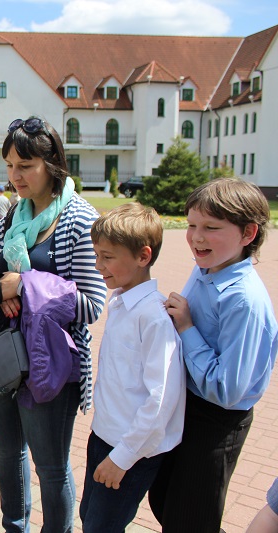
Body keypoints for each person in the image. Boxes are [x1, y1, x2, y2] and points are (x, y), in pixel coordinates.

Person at [0, 117, 106, 532]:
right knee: (7, 453)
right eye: (9, 165)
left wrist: (24, 286)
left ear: (51, 165)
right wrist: (0, 289)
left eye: (25, 166)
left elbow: (91, 304)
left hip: (51, 363)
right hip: (3, 353)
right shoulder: (12, 215)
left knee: (51, 467)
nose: (14, 176)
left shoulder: (79, 219)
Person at [148, 178, 278, 532]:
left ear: (248, 233)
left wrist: (186, 327)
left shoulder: (243, 301)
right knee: (164, 501)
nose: (196, 237)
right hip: (188, 406)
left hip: (217, 421)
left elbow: (227, 389)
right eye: (192, 225)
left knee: (191, 519)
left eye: (211, 228)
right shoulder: (206, 266)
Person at [79, 203, 185, 532]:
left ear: (143, 256)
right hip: (104, 436)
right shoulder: (121, 301)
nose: (98, 266)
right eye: (96, 255)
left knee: (103, 526)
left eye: (107, 257)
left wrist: (122, 457)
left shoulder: (153, 318)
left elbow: (162, 399)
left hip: (130, 450)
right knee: (90, 517)